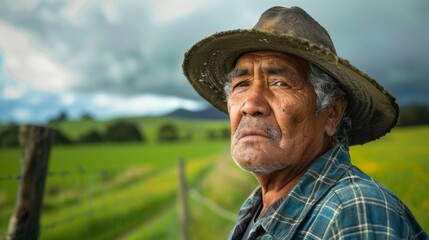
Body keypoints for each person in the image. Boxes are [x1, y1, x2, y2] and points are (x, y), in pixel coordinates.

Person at [183, 6, 428, 239]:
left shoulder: (353, 211)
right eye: (242, 84)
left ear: (332, 113)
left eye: (280, 83)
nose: (250, 105)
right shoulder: (258, 207)